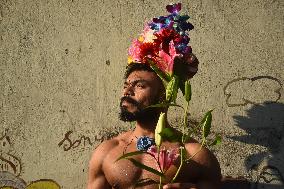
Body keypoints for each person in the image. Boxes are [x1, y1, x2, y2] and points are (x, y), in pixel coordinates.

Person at [88, 3, 221, 189]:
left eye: (140, 85)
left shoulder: (194, 155)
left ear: (165, 94)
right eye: (126, 85)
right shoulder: (107, 152)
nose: (127, 92)